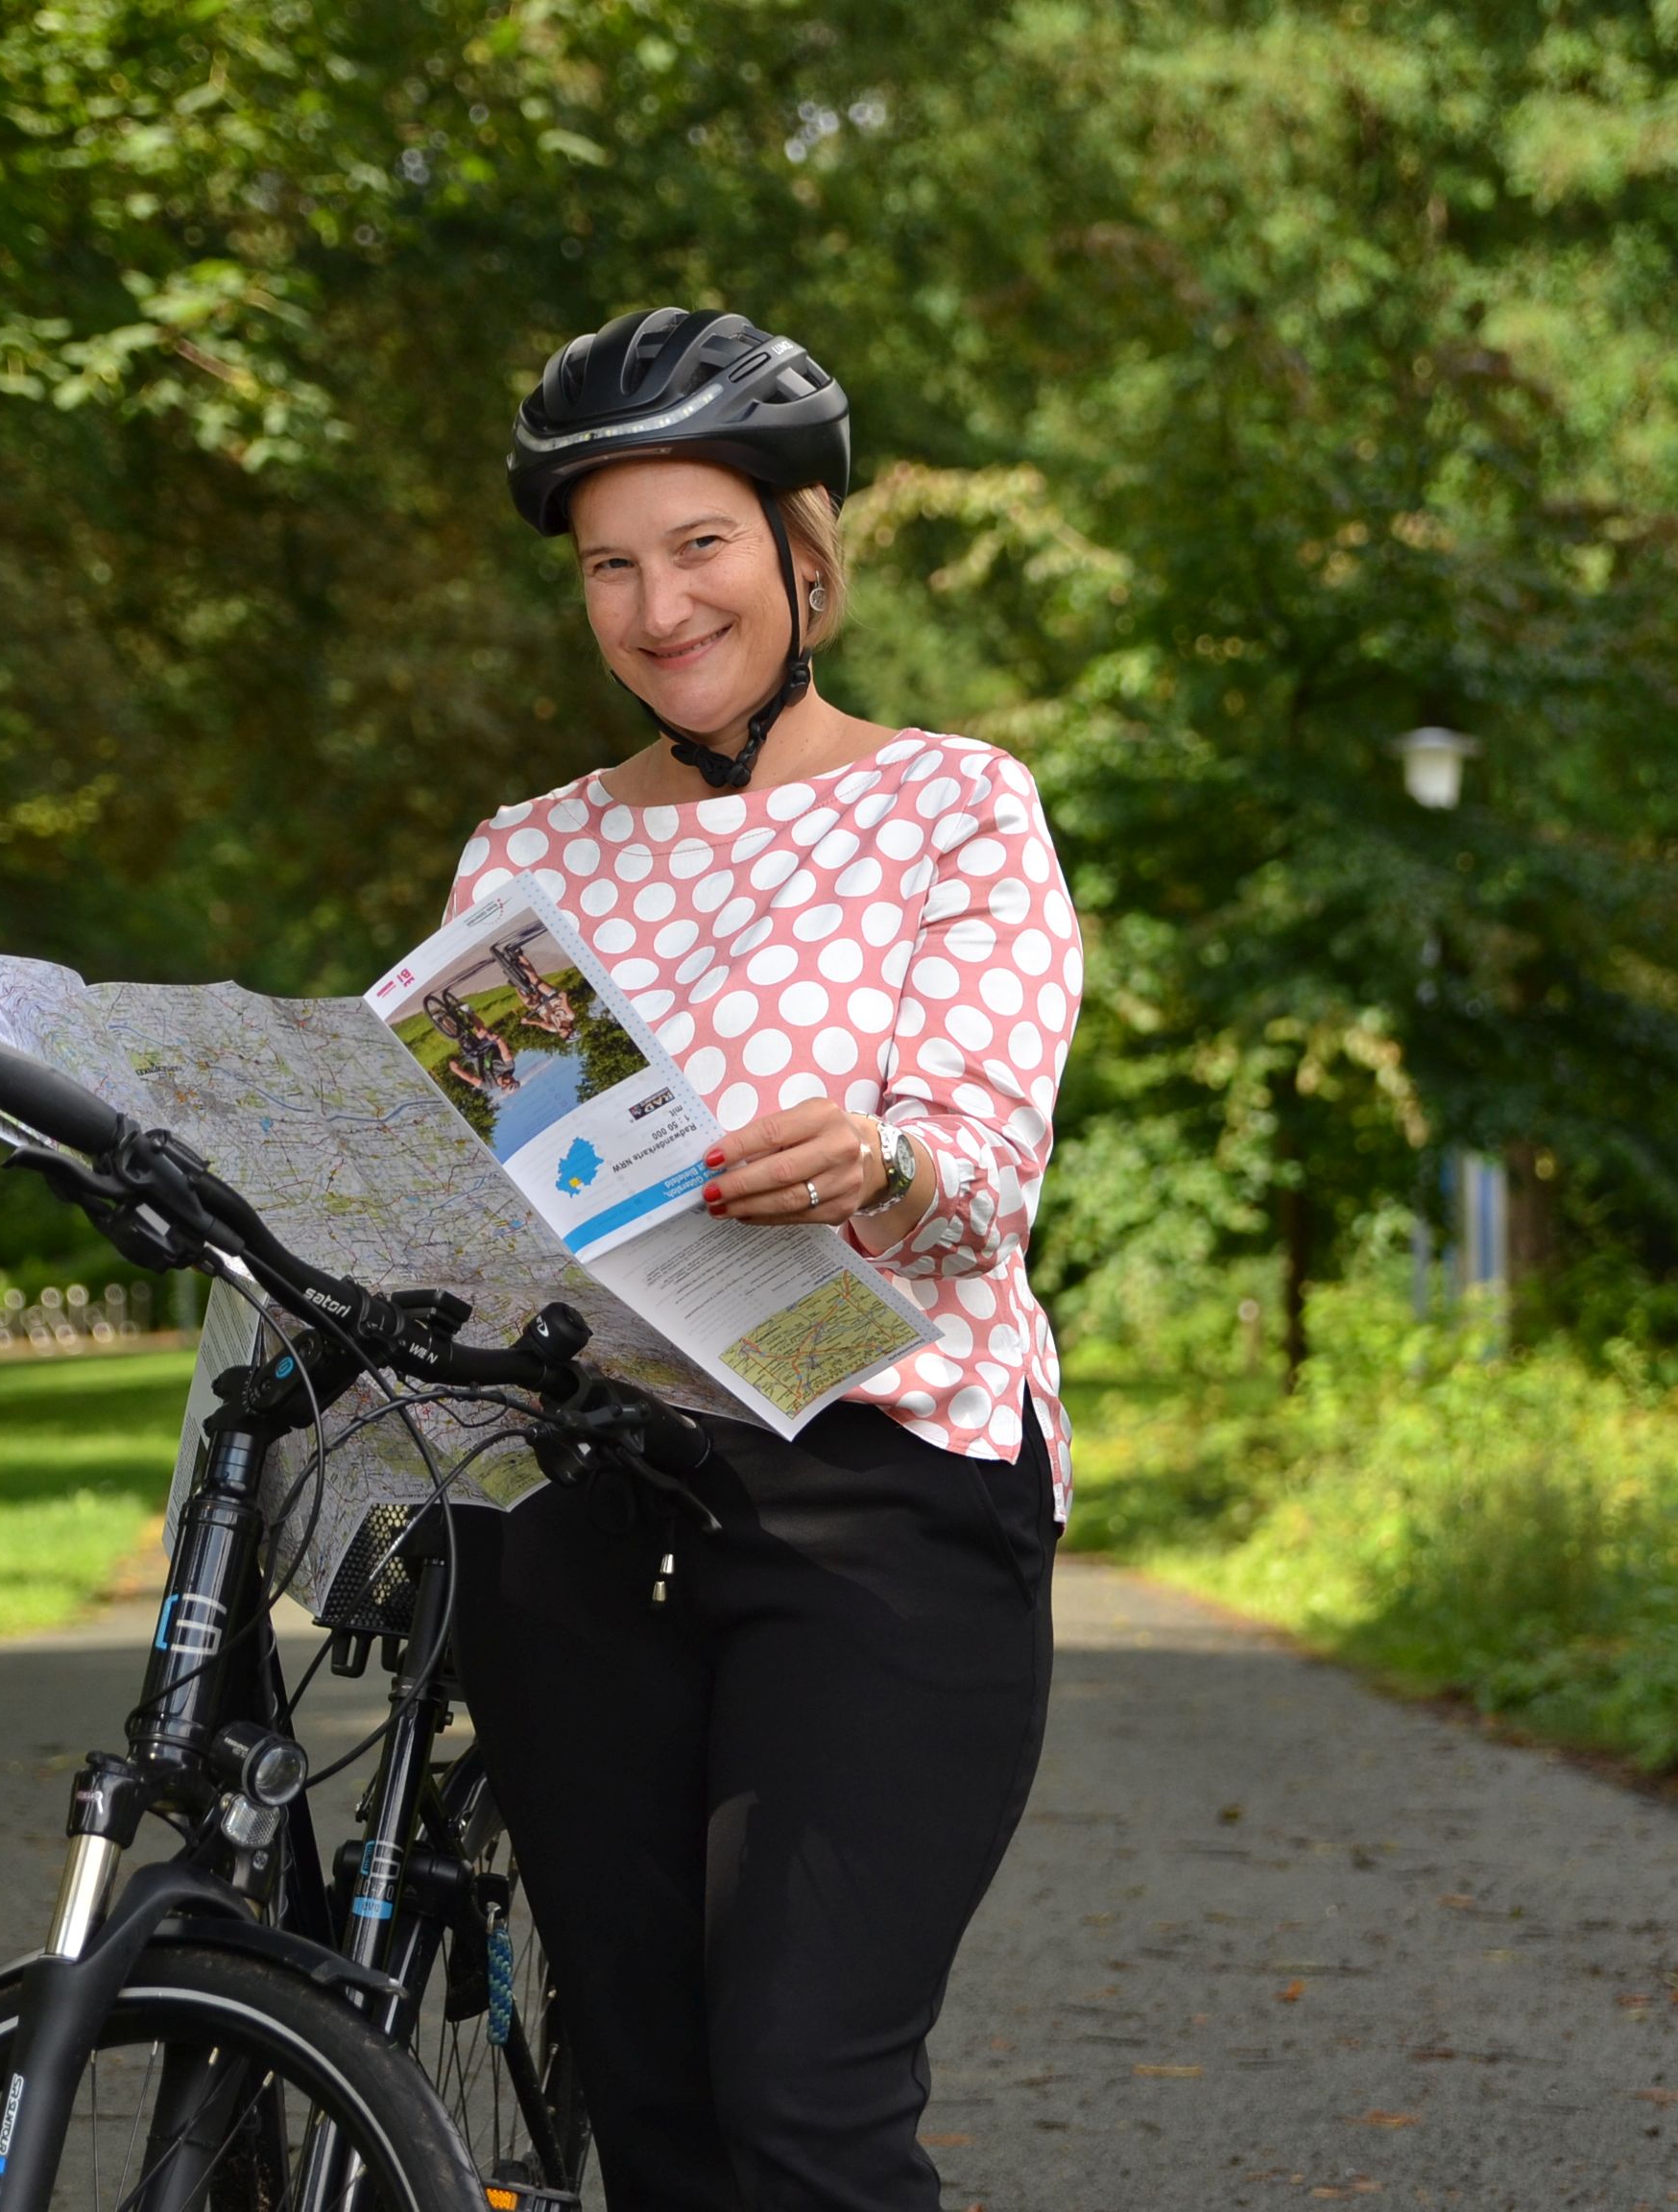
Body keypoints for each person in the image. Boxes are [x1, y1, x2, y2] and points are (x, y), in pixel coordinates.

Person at [444, 305, 1084, 2211]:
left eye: (699, 547)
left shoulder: (952, 805)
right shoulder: (524, 857)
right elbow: (493, 1202)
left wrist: (879, 1159)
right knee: (651, 2111)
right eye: (610, 567)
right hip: (600, 1502)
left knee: (799, 2101)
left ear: (806, 558)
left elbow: (982, 1178)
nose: (656, 607)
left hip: (885, 1490)